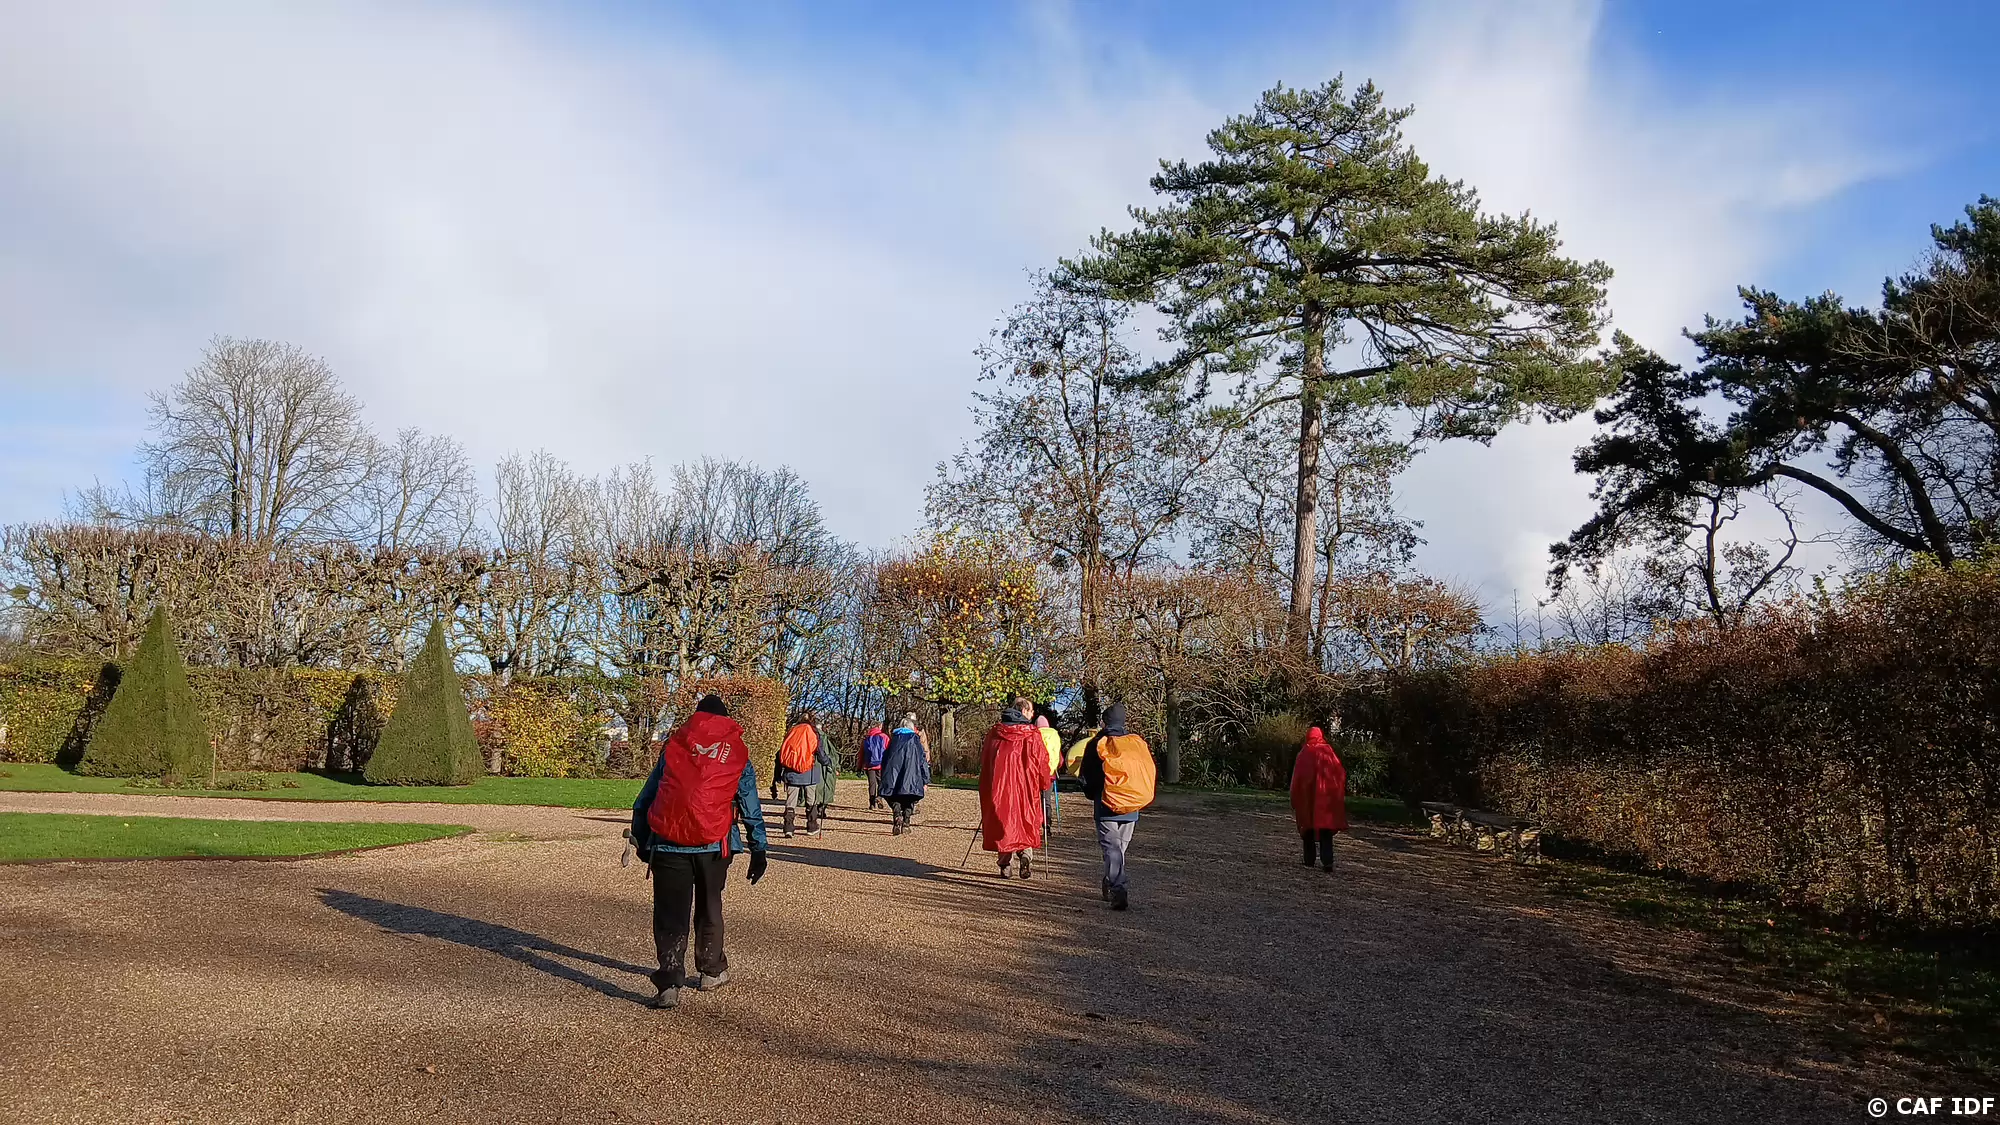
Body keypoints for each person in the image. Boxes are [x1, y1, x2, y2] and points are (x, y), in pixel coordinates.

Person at [629, 694, 770, 1010]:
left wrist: (640, 836)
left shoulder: (676, 746)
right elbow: (750, 806)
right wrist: (759, 848)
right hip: (715, 844)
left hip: (668, 843)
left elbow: (647, 796)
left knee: (670, 914)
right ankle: (710, 971)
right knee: (709, 906)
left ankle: (668, 983)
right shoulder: (736, 753)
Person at [1079, 703, 1155, 911]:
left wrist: (1092, 794)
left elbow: (1088, 776)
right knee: (1119, 849)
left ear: (1104, 721)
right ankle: (1110, 880)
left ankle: (1118, 887)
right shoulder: (1136, 743)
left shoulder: (1097, 743)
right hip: (1131, 805)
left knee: (1112, 849)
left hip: (1106, 805)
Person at [979, 697, 1052, 879]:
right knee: (1025, 821)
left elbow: (985, 761)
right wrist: (1045, 783)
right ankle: (1025, 855)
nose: (1033, 714)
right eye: (1031, 711)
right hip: (1025, 788)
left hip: (999, 788)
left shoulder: (995, 733)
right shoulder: (1032, 735)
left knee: (1002, 823)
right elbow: (1042, 762)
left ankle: (1005, 863)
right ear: (1024, 711)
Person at [1290, 721, 1349, 871]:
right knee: (1325, 829)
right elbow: (1340, 773)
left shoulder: (1304, 753)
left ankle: (1309, 859)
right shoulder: (1328, 752)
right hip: (1325, 799)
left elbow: (1297, 777)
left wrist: (1295, 796)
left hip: (1307, 798)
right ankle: (1327, 861)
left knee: (1307, 827)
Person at [775, 713, 835, 838]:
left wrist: (778, 774)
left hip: (791, 771)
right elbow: (819, 752)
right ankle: (811, 826)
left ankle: (788, 828)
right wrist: (827, 762)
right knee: (811, 799)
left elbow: (781, 752)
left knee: (791, 801)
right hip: (809, 771)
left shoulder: (792, 731)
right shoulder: (813, 732)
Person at [877, 713, 931, 835]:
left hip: (893, 775)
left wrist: (883, 774)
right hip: (912, 776)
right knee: (910, 798)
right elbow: (922, 761)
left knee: (893, 796)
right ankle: (906, 822)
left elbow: (885, 759)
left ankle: (897, 814)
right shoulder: (915, 741)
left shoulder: (893, 740)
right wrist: (925, 779)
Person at [1034, 712, 1062, 844]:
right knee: (1046, 801)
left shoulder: (1034, 735)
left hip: (1034, 774)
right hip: (1050, 774)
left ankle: (1034, 827)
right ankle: (1047, 826)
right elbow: (1060, 758)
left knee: (1034, 800)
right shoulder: (1054, 736)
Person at [859, 724, 888, 809]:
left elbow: (861, 754)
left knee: (872, 784)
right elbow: (889, 750)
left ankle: (872, 804)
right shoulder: (884, 737)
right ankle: (879, 797)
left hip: (869, 765)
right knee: (881, 783)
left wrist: (859, 766)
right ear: (879, 727)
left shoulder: (866, 739)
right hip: (881, 764)